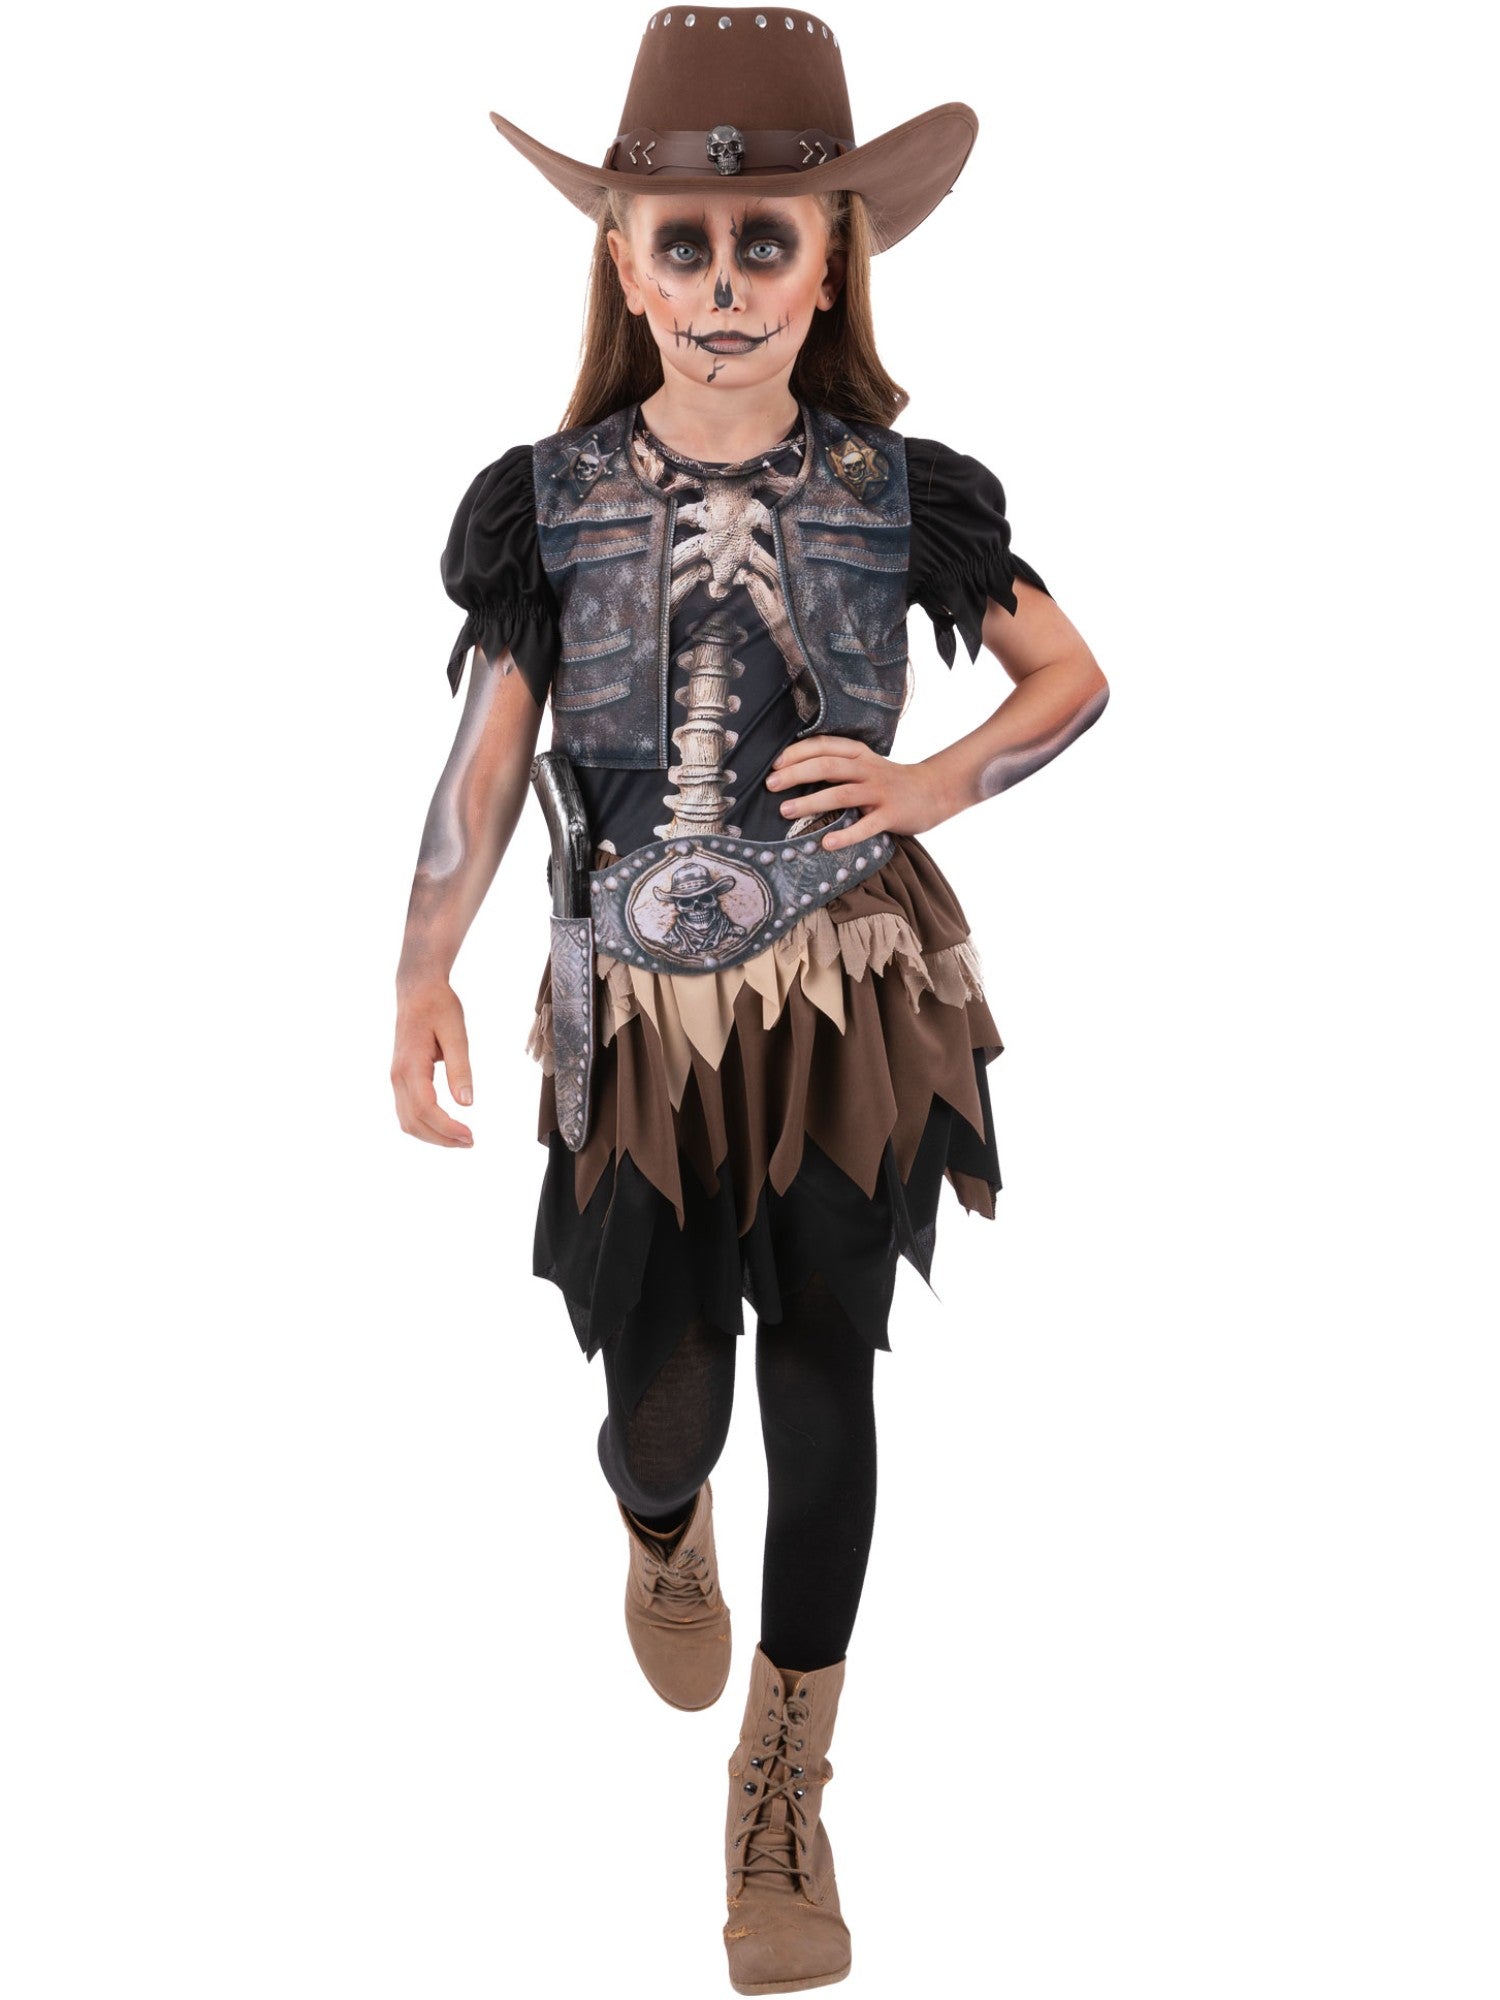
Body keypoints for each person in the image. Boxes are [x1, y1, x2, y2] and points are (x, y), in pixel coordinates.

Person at [391, 10, 1108, 1993]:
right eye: (685, 245)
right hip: (635, 1005)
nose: (723, 284)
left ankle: (785, 1779)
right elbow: (483, 765)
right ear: (625, 264)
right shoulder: (548, 503)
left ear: (830, 264)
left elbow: (1073, 677)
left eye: (766, 243)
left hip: (845, 992)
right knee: (665, 1405)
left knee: (825, 1365)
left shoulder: (902, 493)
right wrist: (420, 973)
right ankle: (658, 1515)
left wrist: (931, 780)